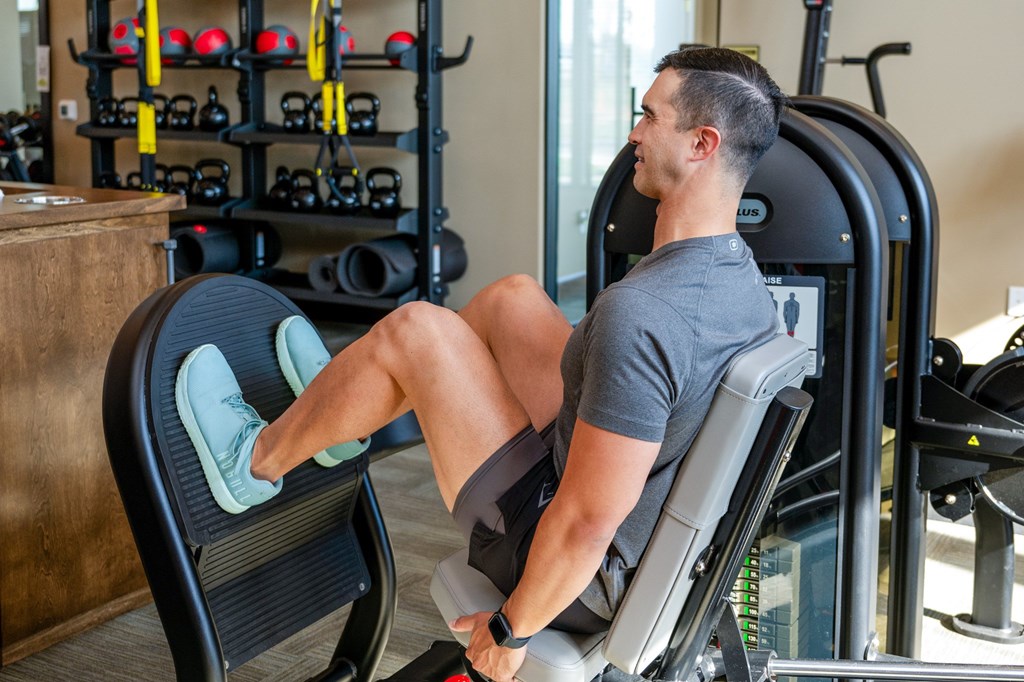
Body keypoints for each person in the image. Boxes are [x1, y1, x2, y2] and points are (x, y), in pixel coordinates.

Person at [174, 46, 787, 682]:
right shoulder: (740, 282)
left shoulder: (647, 314)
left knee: (417, 329)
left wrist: (510, 629)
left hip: (575, 571)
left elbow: (586, 521)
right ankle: (346, 408)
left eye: (650, 117)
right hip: (620, 510)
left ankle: (254, 461)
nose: (634, 134)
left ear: (701, 144)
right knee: (510, 298)